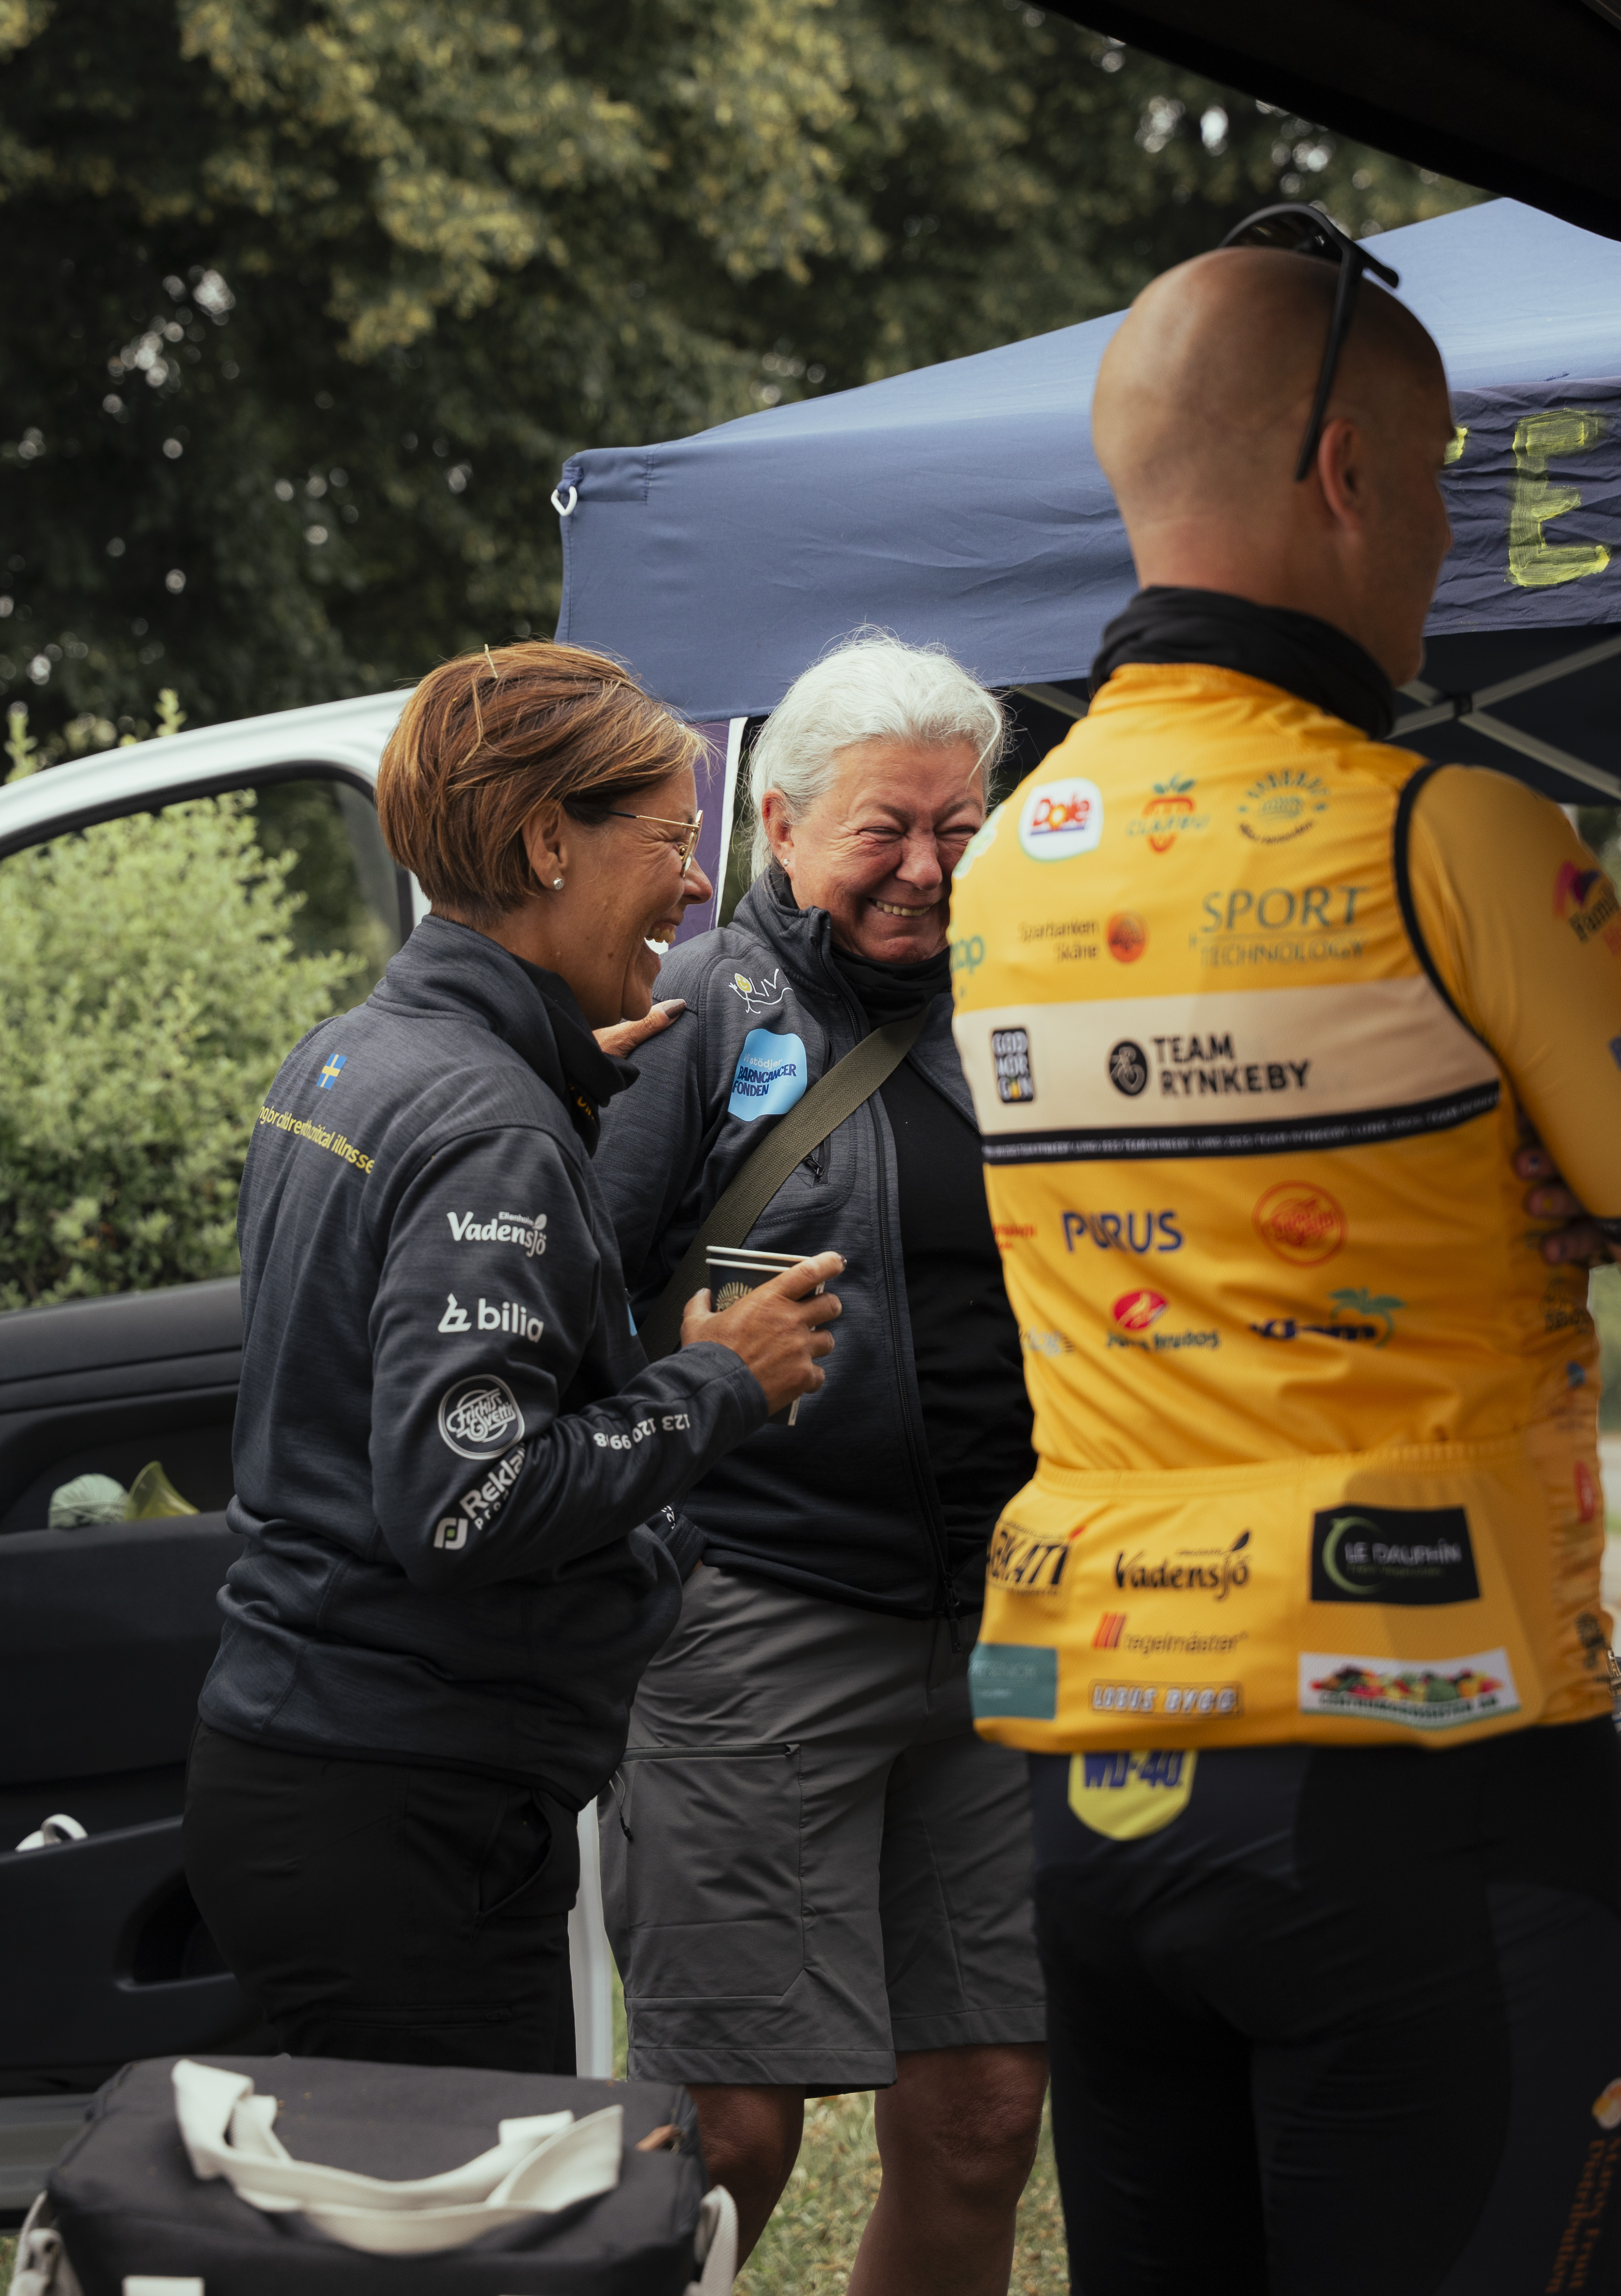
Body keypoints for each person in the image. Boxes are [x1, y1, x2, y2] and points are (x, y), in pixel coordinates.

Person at [948, 214, 1621, 2292]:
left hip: (1096, 1746)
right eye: (1432, 482)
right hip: (1427, 1753)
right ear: (1341, 472)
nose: (1438, 538)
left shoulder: (1002, 861)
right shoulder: (1460, 834)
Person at [182, 641, 843, 2072]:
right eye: (669, 837)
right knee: (487, 2207)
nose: (695, 885)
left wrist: (559, 1079)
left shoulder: (353, 1055)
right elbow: (464, 1501)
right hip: (412, 1812)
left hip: (296, 1762)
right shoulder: (487, 1122)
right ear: (550, 843)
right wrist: (721, 1380)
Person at [594, 632, 1049, 2294]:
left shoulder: (1028, 997)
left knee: (988, 2112)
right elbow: (571, 1306)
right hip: (759, 1622)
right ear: (778, 826)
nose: (927, 867)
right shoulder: (696, 1011)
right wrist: (685, 1400)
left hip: (998, 1628)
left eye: (959, 826)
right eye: (885, 830)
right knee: (729, 2133)